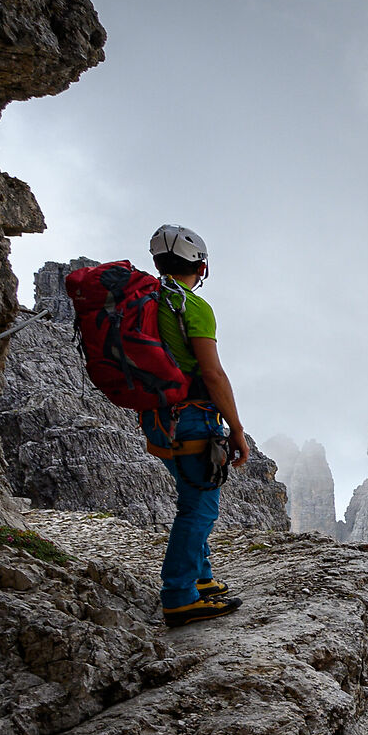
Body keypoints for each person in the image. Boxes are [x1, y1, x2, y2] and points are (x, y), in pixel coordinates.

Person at [140, 223, 251, 626]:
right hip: (192, 419)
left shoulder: (147, 300)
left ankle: (200, 580)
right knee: (199, 509)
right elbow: (213, 373)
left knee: (194, 500)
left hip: (158, 417)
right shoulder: (191, 306)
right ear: (200, 267)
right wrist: (236, 429)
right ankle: (180, 596)